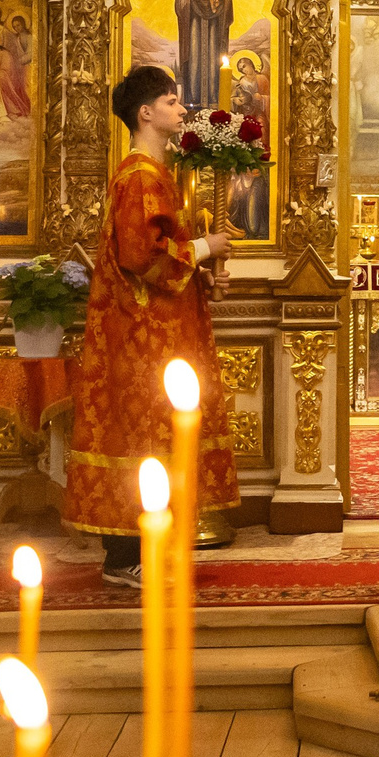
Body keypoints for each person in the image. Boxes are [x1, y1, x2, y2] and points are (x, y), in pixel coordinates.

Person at [70, 66, 237, 584]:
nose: (181, 109)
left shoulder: (152, 174)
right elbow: (142, 255)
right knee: (140, 434)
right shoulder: (140, 175)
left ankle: (140, 550)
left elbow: (158, 258)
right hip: (142, 336)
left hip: (156, 330)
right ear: (145, 113)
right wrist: (206, 248)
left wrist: (200, 280)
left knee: (150, 433)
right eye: (170, 101)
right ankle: (125, 557)